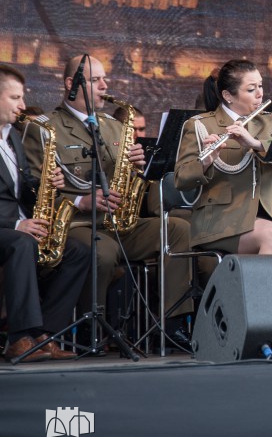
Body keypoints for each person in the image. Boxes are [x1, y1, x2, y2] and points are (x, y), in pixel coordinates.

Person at [21, 55, 194, 344]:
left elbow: (129, 180)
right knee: (104, 251)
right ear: (70, 84)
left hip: (117, 221)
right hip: (75, 226)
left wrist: (140, 167)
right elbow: (34, 189)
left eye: (104, 79)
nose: (104, 86)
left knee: (179, 230)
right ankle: (94, 331)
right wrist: (80, 202)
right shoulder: (44, 128)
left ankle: (173, 322)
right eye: (95, 80)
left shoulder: (114, 125)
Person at [0, 65, 89, 361]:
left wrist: (43, 185)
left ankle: (44, 336)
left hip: (13, 229)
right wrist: (16, 224)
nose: (23, 106)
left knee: (78, 251)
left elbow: (19, 191)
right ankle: (19, 337)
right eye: (15, 98)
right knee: (22, 243)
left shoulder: (13, 137)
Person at [174, 59, 272, 257]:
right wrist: (206, 161)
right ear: (228, 95)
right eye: (251, 89)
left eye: (261, 86)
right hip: (223, 218)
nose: (260, 94)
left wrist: (255, 143)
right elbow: (181, 179)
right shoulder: (200, 125)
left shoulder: (270, 122)